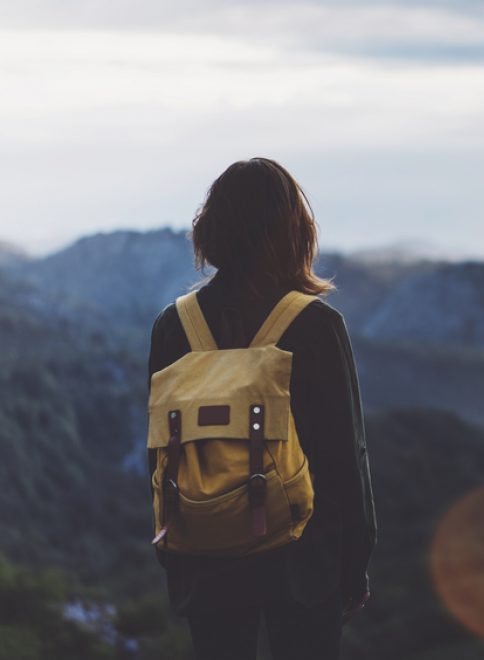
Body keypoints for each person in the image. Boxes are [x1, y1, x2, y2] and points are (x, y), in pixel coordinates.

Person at [147, 157, 377, 660]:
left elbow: (160, 453)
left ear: (211, 229)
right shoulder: (316, 324)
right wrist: (354, 563)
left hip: (204, 556)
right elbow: (344, 457)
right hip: (301, 560)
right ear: (295, 230)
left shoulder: (173, 326)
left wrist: (174, 554)